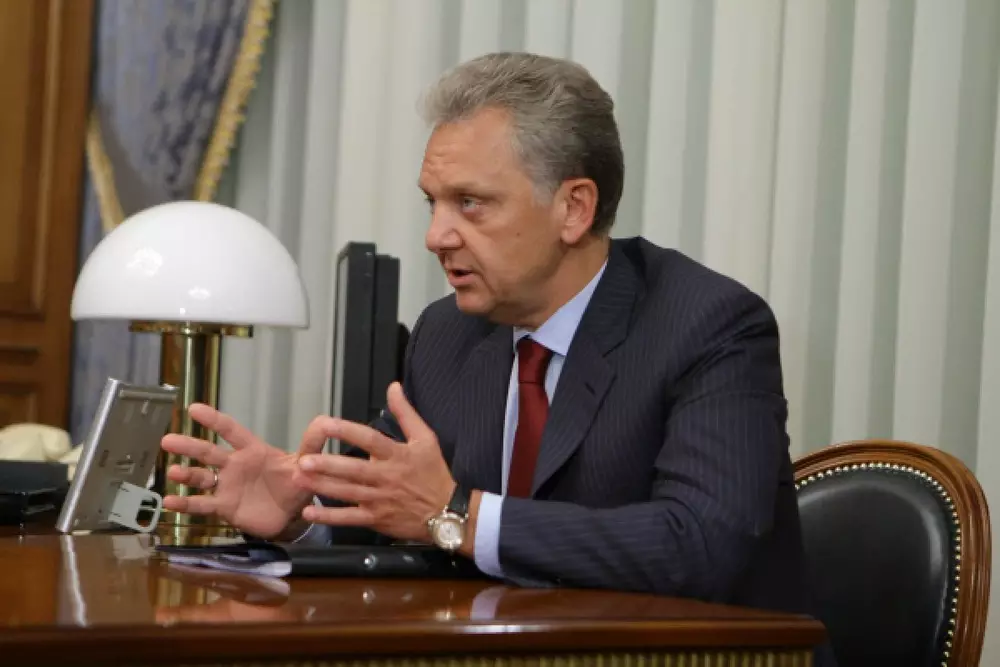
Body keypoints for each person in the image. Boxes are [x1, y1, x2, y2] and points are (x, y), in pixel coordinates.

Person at [161, 52, 824, 650]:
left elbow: (701, 545)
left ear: (574, 208)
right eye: (433, 203)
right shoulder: (447, 334)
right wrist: (300, 520)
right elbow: (394, 519)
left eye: (470, 203)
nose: (435, 236)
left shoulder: (707, 325)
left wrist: (459, 514)